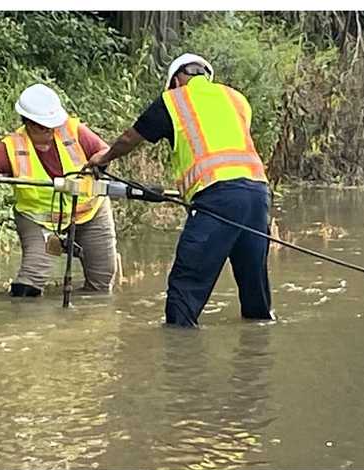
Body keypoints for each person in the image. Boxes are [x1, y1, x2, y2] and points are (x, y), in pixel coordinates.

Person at [87, 53, 274, 327]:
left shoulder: (174, 101)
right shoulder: (237, 99)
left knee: (186, 282)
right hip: (258, 194)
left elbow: (130, 138)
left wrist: (102, 158)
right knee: (253, 279)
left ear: (175, 80)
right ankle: (259, 340)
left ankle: (179, 355)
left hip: (217, 196)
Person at [0, 83, 117, 297]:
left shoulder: (73, 130)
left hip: (89, 212)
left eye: (52, 125)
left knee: (100, 287)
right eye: (43, 127)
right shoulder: (12, 145)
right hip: (38, 220)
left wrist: (100, 162)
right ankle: (25, 322)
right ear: (28, 123)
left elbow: (105, 151)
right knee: (29, 283)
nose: (49, 131)